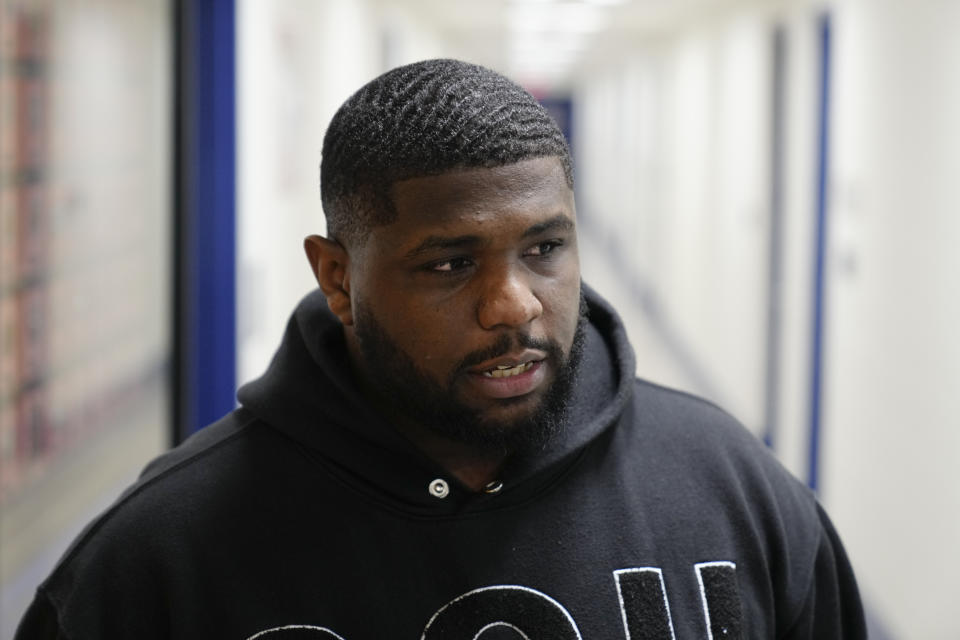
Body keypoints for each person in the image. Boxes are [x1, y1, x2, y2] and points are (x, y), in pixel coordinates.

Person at [15, 58, 865, 639]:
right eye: (451, 263)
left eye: (545, 249)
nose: (513, 304)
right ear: (338, 278)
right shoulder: (161, 559)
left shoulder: (735, 493)